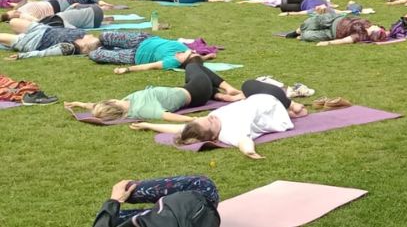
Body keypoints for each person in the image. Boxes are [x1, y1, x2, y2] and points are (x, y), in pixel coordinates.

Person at [132, 79, 305, 159]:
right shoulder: (229, 133)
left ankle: (290, 106)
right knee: (248, 84)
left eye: (204, 118)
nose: (211, 116)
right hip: (271, 101)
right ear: (214, 137)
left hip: (260, 103)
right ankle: (292, 105)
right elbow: (243, 142)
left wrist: (147, 124)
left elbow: (178, 129)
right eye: (210, 122)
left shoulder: (206, 125)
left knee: (249, 87)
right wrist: (251, 153)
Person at [67, 57, 246, 122]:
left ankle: (221, 95)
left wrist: (78, 104)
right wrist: (195, 119)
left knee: (193, 69)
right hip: (197, 93)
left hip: (190, 89)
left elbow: (96, 106)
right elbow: (168, 116)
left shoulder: (127, 103)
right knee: (193, 64)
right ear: (112, 103)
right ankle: (229, 90)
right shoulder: (141, 109)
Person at [92, 176, 221, 227]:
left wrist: (115, 201)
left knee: (115, 217)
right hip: (196, 209)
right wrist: (115, 201)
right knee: (203, 184)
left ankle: (129, 193)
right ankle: (129, 192)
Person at [88, 32, 214, 72]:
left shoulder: (172, 61)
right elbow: (197, 60)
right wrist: (207, 57)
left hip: (133, 56)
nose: (190, 51)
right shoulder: (186, 50)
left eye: (190, 54)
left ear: (184, 60)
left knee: (95, 55)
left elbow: (150, 66)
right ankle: (103, 44)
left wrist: (127, 69)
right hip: (142, 39)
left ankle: (99, 48)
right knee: (104, 36)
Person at [0, 22, 99, 59]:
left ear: (85, 46)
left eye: (91, 37)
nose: (90, 34)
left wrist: (22, 56)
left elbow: (45, 53)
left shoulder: (69, 47)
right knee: (13, 21)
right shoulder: (82, 33)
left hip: (34, 41)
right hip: (43, 29)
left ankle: (15, 41)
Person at [283, 12, 388, 45]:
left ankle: (302, 35)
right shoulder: (368, 23)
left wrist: (327, 43)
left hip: (332, 33)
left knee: (308, 36)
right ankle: (296, 32)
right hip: (335, 19)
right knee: (310, 22)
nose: (376, 26)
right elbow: (387, 32)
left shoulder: (361, 35)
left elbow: (344, 40)